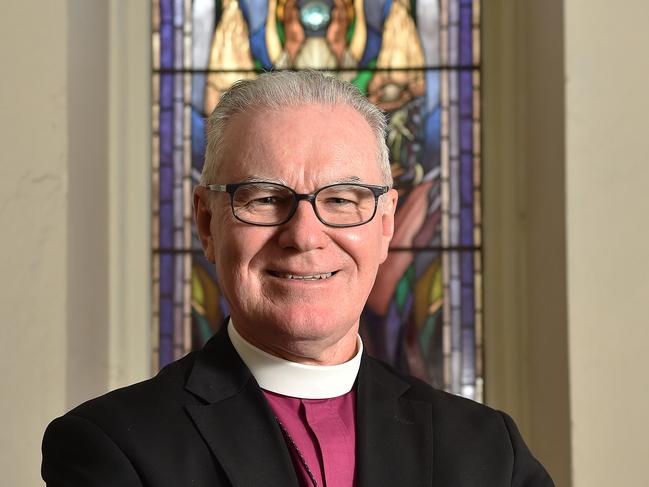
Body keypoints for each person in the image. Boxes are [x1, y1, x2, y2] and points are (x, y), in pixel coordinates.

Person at [42, 71, 554, 486]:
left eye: (341, 199)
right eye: (264, 198)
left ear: (385, 223)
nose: (305, 236)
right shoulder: (115, 448)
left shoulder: (489, 453)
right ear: (206, 222)